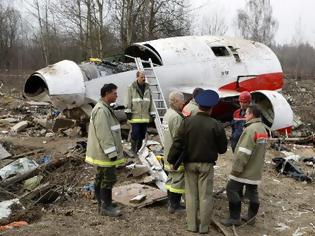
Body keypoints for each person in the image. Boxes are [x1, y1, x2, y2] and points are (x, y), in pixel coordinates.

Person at [168, 90, 228, 234]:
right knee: (205, 196)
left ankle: (191, 226)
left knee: (191, 195)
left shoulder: (187, 122)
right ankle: (204, 227)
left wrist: (171, 160)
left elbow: (177, 143)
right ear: (211, 107)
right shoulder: (216, 125)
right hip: (207, 165)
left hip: (189, 164)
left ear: (198, 105)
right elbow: (222, 149)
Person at [222, 104, 268, 227]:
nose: (245, 115)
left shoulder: (250, 130)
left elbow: (244, 152)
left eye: (246, 113)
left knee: (231, 189)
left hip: (245, 169)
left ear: (252, 114)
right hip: (255, 168)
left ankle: (234, 218)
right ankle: (251, 218)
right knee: (252, 191)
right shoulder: (262, 129)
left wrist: (236, 169)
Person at [85, 83, 125, 217]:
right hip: (105, 154)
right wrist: (111, 152)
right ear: (107, 93)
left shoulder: (103, 108)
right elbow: (104, 134)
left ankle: (102, 203)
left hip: (102, 152)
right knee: (108, 178)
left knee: (101, 177)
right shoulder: (101, 110)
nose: (116, 95)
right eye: (114, 93)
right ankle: (105, 206)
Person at [162, 91, 186, 214]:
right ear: (176, 101)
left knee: (171, 179)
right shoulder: (176, 117)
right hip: (175, 156)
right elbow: (179, 139)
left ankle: (170, 203)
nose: (183, 103)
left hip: (167, 153)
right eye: (182, 101)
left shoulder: (168, 114)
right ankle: (175, 206)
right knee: (177, 181)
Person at [124, 71, 155, 155]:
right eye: (141, 77)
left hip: (145, 116)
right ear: (137, 77)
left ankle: (138, 150)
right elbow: (128, 99)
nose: (143, 79)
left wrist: (152, 112)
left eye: (144, 77)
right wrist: (128, 111)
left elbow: (151, 101)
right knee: (135, 133)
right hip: (135, 116)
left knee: (142, 134)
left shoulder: (148, 88)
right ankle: (133, 149)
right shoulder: (131, 87)